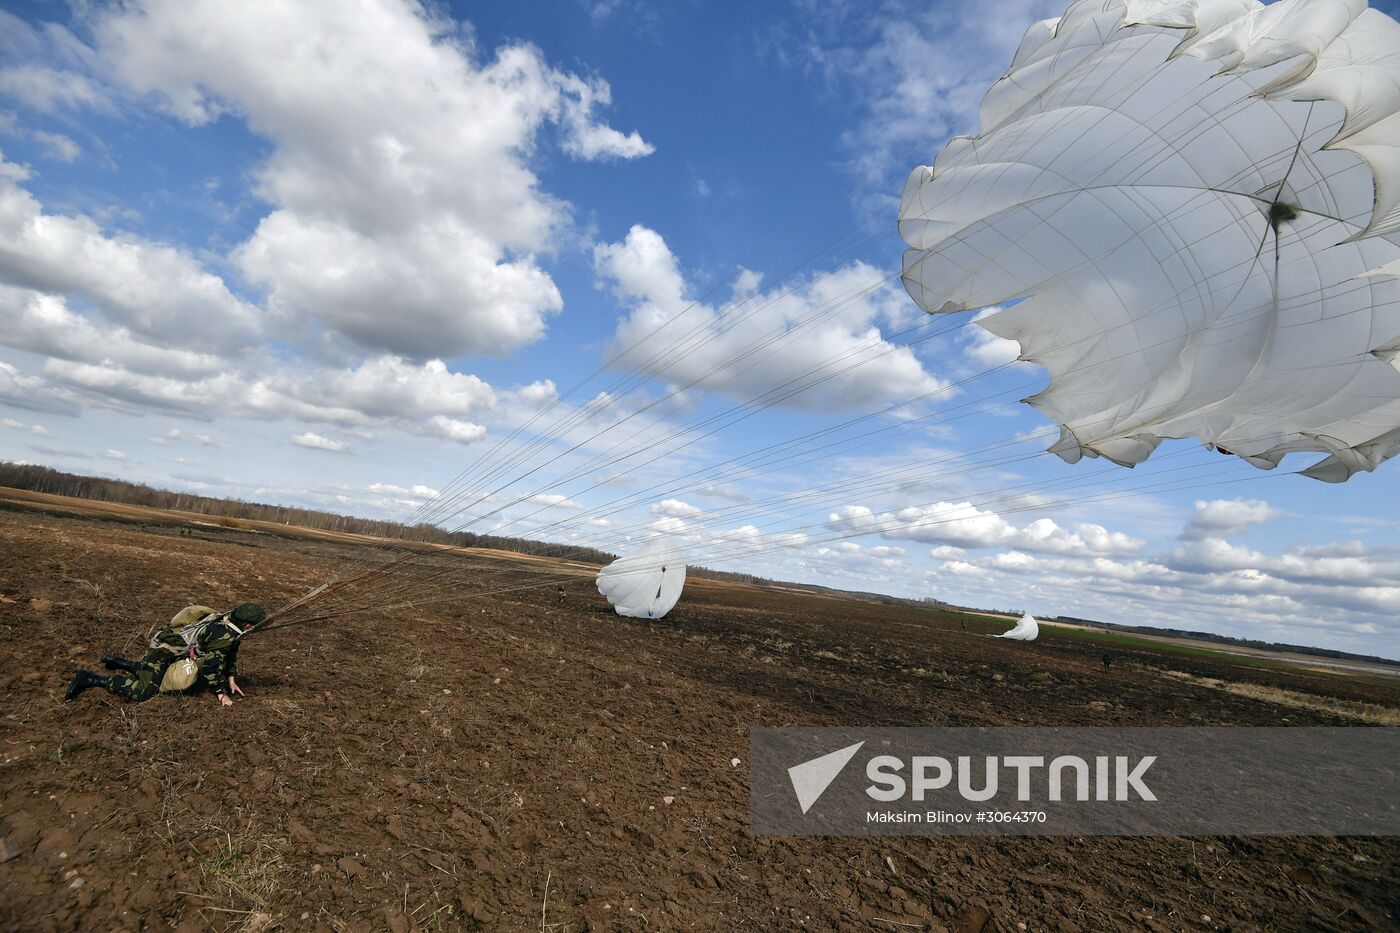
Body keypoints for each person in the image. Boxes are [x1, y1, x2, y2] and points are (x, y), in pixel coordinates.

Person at [66, 603, 266, 706]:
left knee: (156, 676)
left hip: (174, 650)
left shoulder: (230, 620)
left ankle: (120, 663)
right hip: (163, 650)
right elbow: (212, 667)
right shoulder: (224, 634)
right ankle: (91, 679)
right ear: (248, 625)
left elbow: (231, 652)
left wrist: (231, 679)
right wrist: (221, 693)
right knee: (143, 693)